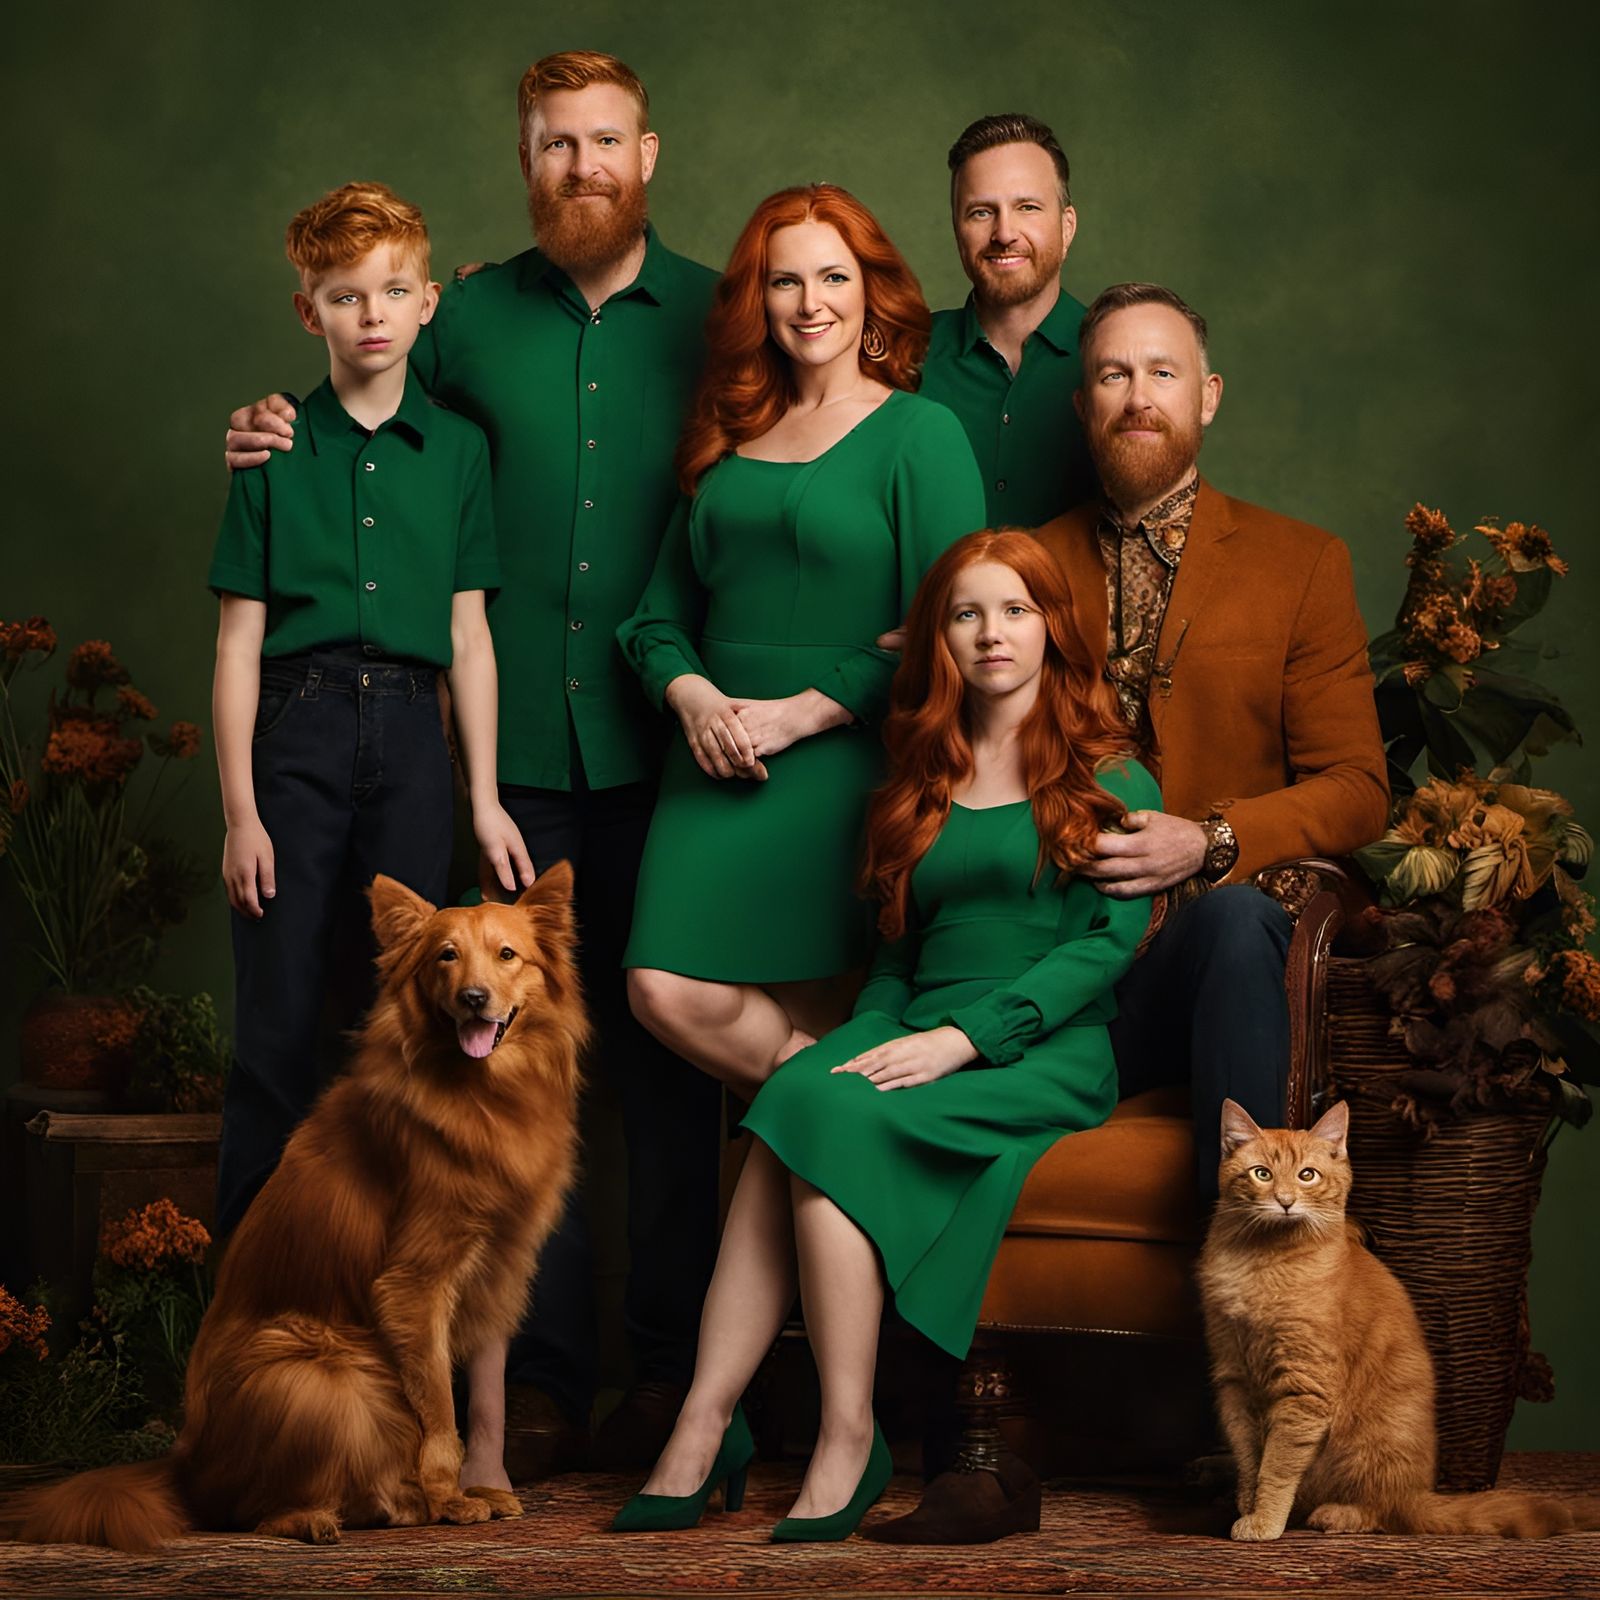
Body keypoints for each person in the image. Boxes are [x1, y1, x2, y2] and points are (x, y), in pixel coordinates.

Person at [221, 52, 723, 1481]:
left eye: (604, 140)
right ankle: (540, 1384)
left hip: (673, 746)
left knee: (671, 1069)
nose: (580, 165)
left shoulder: (715, 313)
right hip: (505, 769)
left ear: (648, 151)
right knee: (497, 1080)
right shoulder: (460, 316)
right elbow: (362, 430)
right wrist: (263, 429)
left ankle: (673, 1373)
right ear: (527, 158)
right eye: (554, 143)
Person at [611, 529, 1159, 1541]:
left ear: (1052, 628)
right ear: (938, 640)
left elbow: (1102, 952)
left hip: (1043, 1047)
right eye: (965, 613)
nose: (991, 633)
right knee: (800, 1092)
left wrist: (964, 1040)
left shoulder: (1110, 777)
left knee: (820, 1113)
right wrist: (861, 1038)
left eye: (1014, 610)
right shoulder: (921, 773)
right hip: (916, 1019)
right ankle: (707, 1416)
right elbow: (898, 959)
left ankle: (841, 1430)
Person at [617, 184, 987, 1094]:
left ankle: (809, 1167)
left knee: (829, 1001)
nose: (810, 302)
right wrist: (694, 697)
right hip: (711, 761)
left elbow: (952, 629)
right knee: (660, 989)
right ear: (759, 298)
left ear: (871, 292)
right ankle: (826, 1102)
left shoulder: (921, 434)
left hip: (846, 766)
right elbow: (655, 618)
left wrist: (802, 716)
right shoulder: (728, 432)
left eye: (833, 276)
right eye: (785, 281)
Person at [209, 180, 525, 1235]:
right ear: (311, 311)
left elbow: (470, 638)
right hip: (294, 732)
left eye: (394, 291)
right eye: (346, 297)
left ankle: (380, 1286)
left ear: (428, 300)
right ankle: (253, 1309)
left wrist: (481, 798)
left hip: (412, 735)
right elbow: (238, 644)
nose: (373, 314)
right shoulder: (271, 451)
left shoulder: (462, 453)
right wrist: (241, 812)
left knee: (401, 1025)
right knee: (278, 1021)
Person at [1039, 281, 1389, 1196]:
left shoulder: (1300, 563)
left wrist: (1209, 839)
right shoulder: (1023, 567)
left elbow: (1358, 786)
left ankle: (1241, 1286)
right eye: (1113, 374)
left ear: (1209, 394)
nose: (1137, 395)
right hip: (1058, 960)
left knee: (1236, 918)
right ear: (1084, 405)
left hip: (1204, 957)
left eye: (1163, 370)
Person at [920, 114, 1095, 528]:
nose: (1004, 233)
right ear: (956, 229)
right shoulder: (903, 356)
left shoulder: (1115, 359)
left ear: (1067, 226)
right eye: (981, 212)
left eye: (1027, 207)